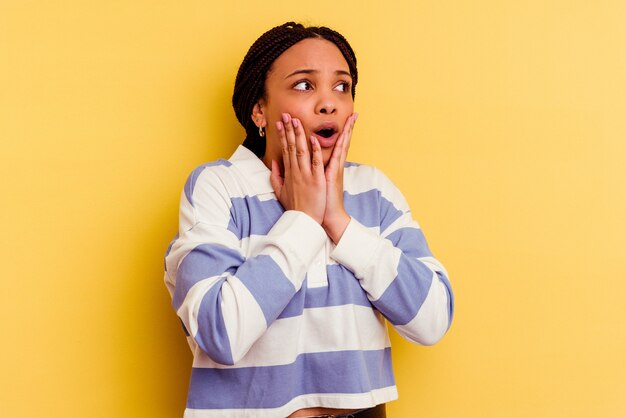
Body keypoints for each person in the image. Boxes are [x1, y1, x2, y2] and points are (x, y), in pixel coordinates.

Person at [164, 22, 454, 418]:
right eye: (304, 85)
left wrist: (338, 220)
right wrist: (303, 220)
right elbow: (222, 334)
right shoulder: (219, 187)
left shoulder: (373, 190)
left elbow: (432, 319)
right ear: (259, 110)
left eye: (342, 86)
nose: (328, 103)